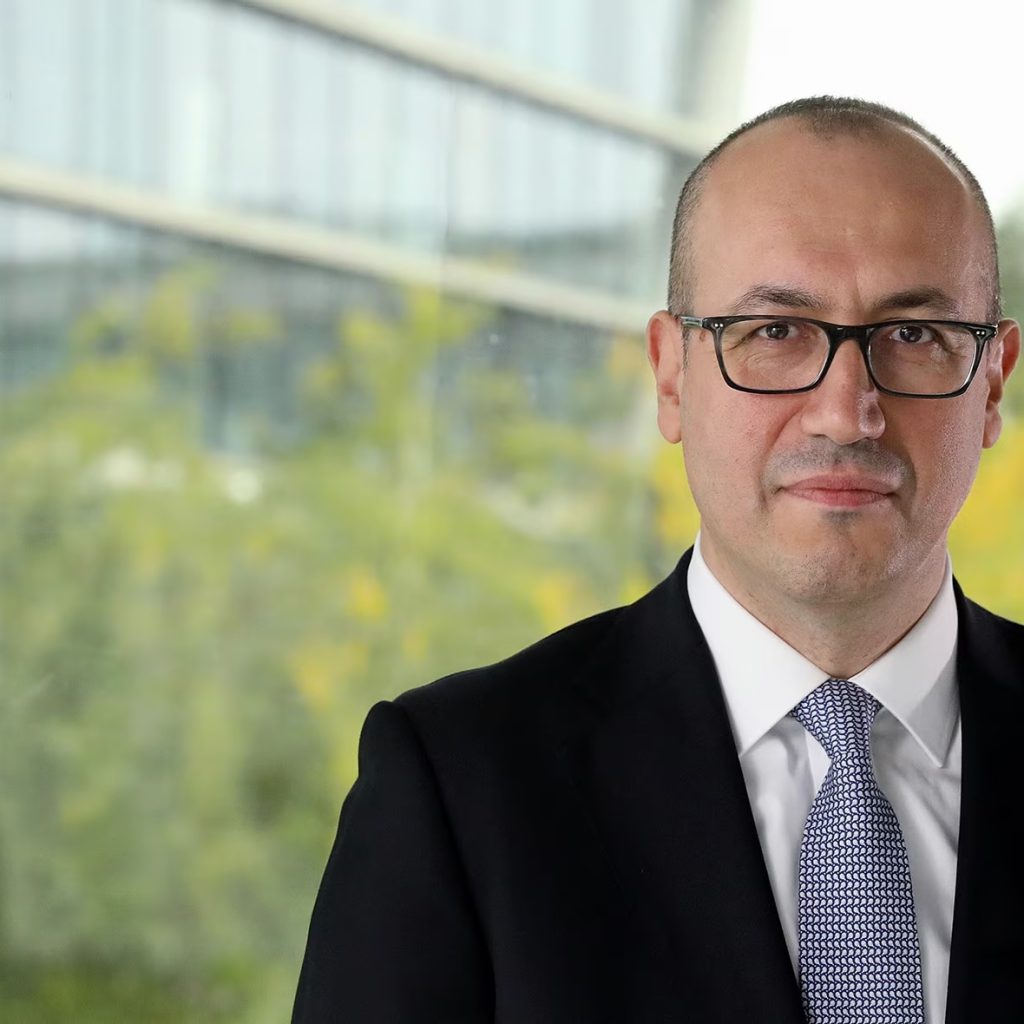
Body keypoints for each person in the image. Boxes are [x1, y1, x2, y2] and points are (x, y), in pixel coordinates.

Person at [292, 97, 1023, 1023]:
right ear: (671, 373)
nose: (846, 412)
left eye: (913, 335)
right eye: (774, 332)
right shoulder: (460, 788)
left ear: (991, 382)